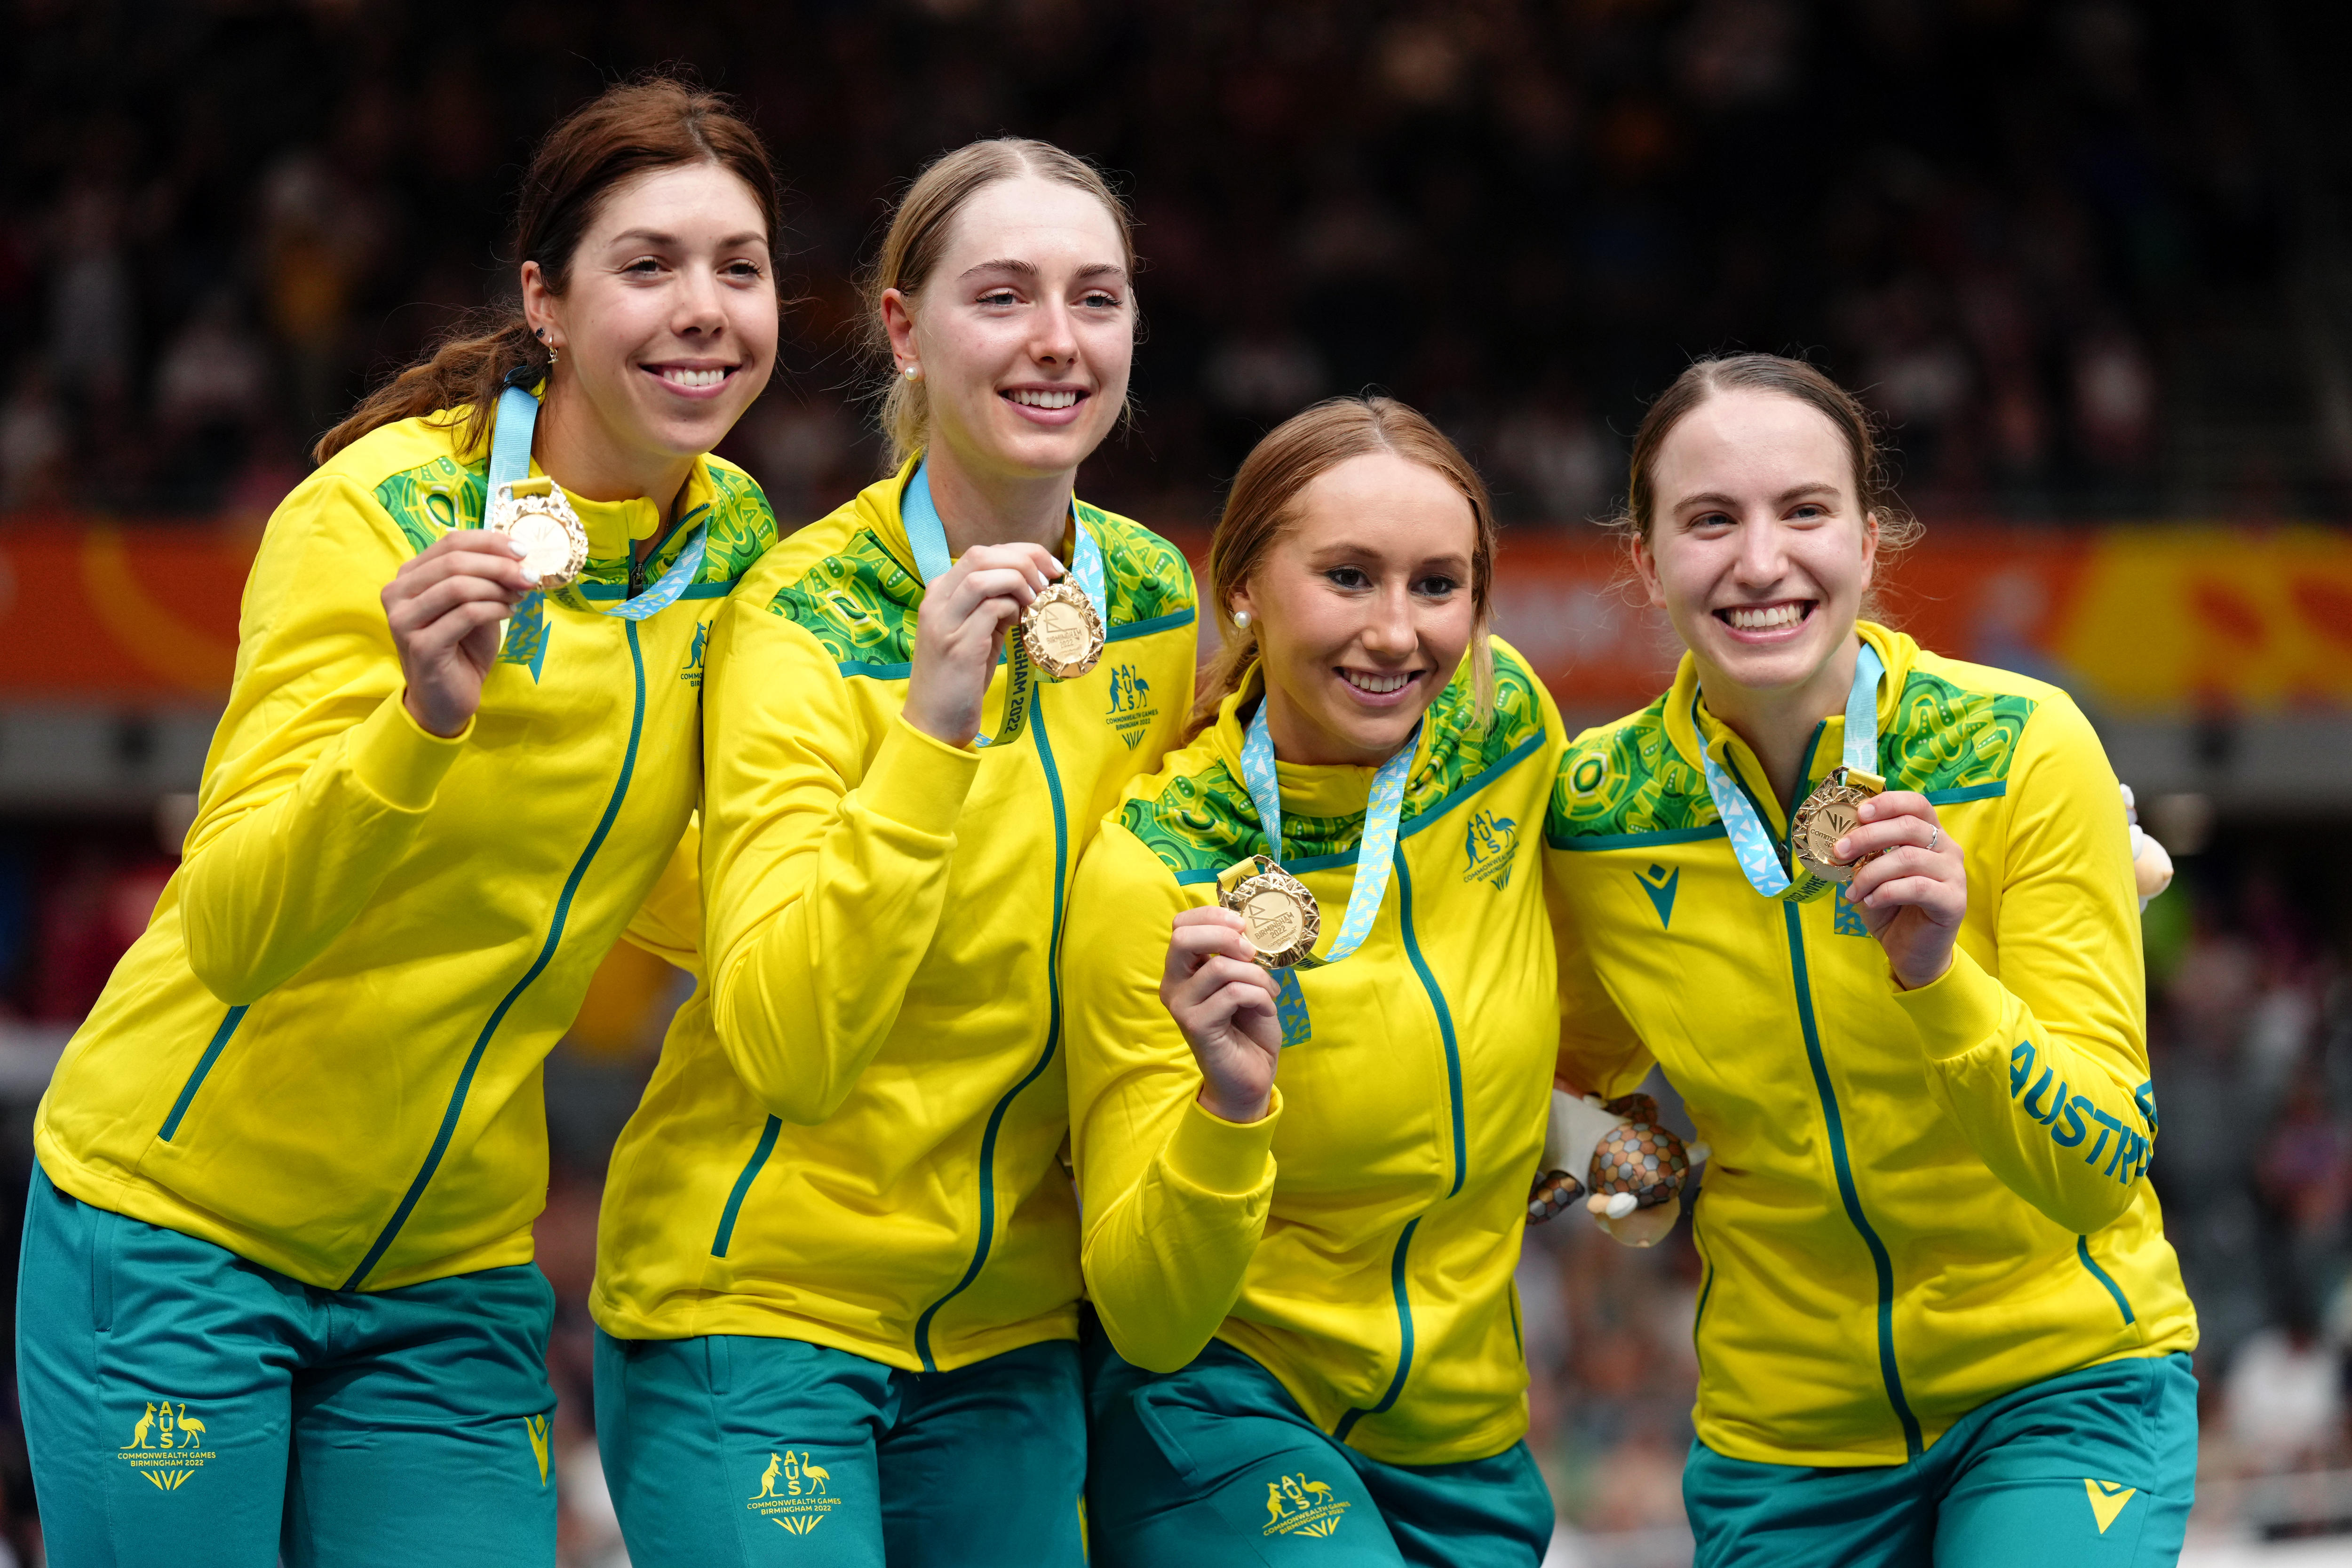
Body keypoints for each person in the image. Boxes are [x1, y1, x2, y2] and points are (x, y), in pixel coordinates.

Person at [19, 79, 786, 1568]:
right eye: (649, 265)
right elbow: (235, 925)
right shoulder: (371, 515)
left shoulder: (738, 543)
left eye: (738, 267)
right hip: (184, 1223)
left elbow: (676, 885)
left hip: (448, 1266)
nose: (704, 309)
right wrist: (418, 725)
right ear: (545, 302)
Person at [588, 137, 1198, 1566]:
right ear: (906, 329)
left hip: (1010, 1333)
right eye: (1003, 296)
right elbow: (792, 1041)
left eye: (1095, 299)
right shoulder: (797, 617)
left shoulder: (1158, 598)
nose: (1058, 342)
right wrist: (934, 725)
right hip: (757, 1311)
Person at [1544, 353, 2198, 1566]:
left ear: (1869, 535)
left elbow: (2100, 1168)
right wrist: (1617, 1169)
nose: (1758, 562)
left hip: (2055, 1386)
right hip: (1781, 1437)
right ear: (1643, 558)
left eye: (1803, 511)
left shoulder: (2024, 748)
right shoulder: (1593, 811)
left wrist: (1939, 978)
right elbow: (1555, 1094)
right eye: (1708, 520)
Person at [1065, 397, 1564, 1568]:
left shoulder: (1507, 729)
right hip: (1224, 1408)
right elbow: (1146, 1314)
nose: (1396, 632)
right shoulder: (1155, 867)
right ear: (1240, 583)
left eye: (1438, 585)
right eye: (1348, 576)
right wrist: (1229, 1110)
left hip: (1466, 1433)